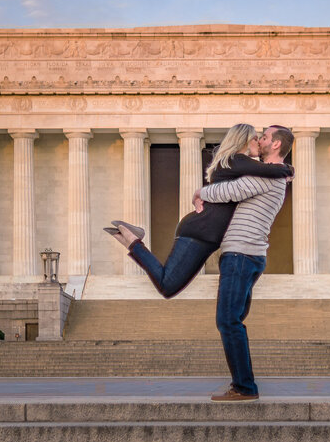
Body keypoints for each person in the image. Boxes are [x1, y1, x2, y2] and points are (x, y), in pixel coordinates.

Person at [105, 124, 293, 298]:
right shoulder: (236, 159)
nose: (259, 143)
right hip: (200, 231)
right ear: (243, 140)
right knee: (167, 286)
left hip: (207, 235)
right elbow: (271, 171)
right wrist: (287, 169)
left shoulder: (234, 163)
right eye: (255, 139)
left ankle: (131, 239)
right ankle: (132, 240)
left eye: (262, 138)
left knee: (168, 288)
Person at [194, 124, 294, 402]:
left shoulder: (266, 178)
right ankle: (243, 384)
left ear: (275, 145)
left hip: (242, 255)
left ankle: (245, 387)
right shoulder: (271, 175)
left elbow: (230, 191)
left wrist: (200, 193)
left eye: (263, 137)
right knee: (232, 319)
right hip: (246, 255)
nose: (258, 141)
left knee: (228, 319)